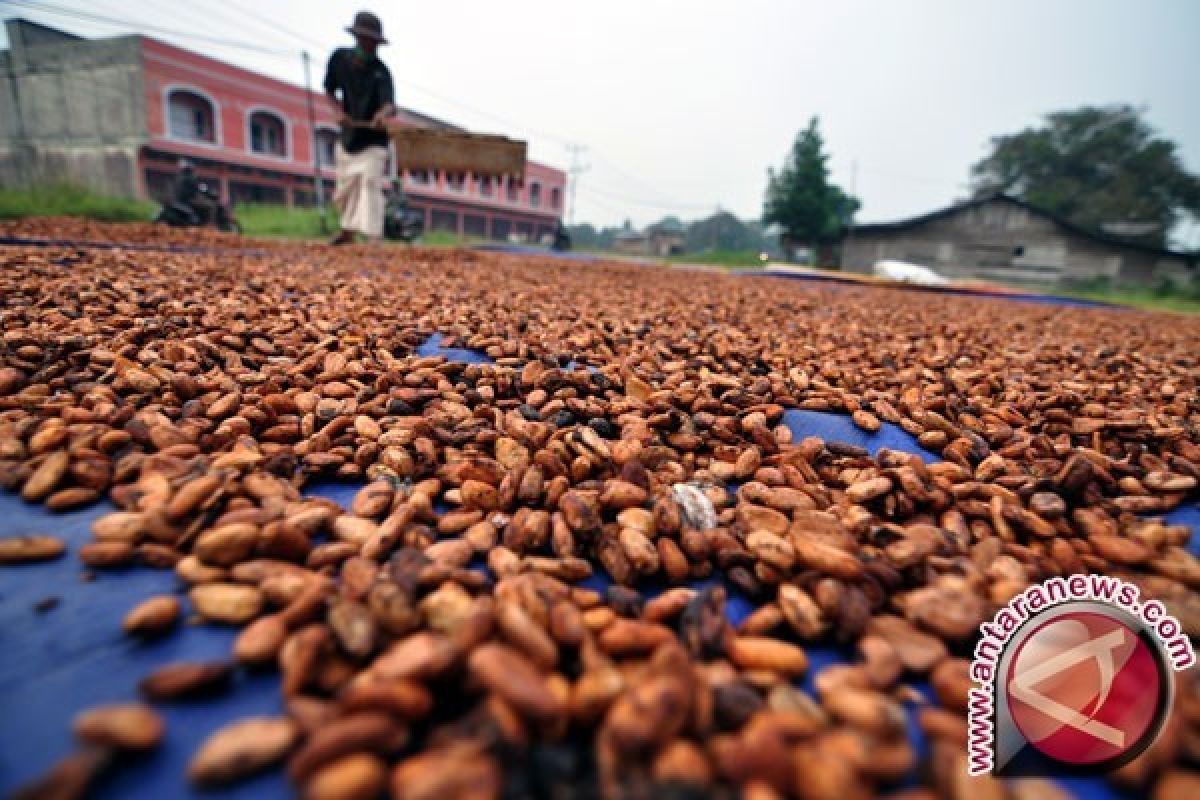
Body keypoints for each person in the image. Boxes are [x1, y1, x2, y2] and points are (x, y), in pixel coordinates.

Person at [324, 11, 396, 246]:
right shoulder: (339, 59)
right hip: (349, 136)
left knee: (370, 183)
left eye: (375, 41)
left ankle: (374, 235)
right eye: (367, 39)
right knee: (345, 187)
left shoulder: (381, 71)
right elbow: (329, 89)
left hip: (374, 140)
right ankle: (348, 232)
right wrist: (338, 112)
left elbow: (390, 104)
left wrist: (381, 115)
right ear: (357, 37)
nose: (371, 44)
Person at [172, 159, 216, 225]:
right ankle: (209, 224)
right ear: (190, 169)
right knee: (211, 206)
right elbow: (199, 187)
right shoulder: (190, 178)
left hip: (179, 199)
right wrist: (208, 192)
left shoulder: (180, 177)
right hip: (188, 200)